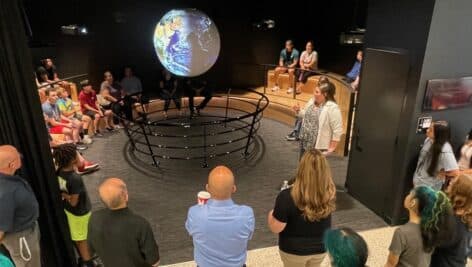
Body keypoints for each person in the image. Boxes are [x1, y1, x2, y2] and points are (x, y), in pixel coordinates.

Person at [268, 149, 336, 267]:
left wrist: (271, 213)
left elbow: (276, 228)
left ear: (301, 169)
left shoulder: (286, 196)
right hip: (321, 247)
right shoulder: (329, 193)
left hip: (293, 250)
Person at [185, 166, 255, 267]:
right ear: (233, 188)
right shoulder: (247, 214)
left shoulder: (194, 213)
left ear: (207, 188)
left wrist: (200, 209)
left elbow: (191, 231)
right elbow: (248, 236)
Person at [88, 178, 160, 267]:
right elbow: (154, 262)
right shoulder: (140, 224)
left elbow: (89, 251)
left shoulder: (94, 219)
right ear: (125, 196)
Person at [385, 186, 455, 267]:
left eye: (410, 194)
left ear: (413, 202)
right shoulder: (432, 229)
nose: (407, 195)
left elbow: (390, 264)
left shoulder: (401, 232)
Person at [52, 144, 94, 267]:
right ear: (73, 159)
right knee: (81, 240)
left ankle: (83, 259)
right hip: (80, 213)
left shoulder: (58, 171)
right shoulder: (75, 179)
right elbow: (74, 202)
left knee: (78, 237)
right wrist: (66, 196)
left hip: (69, 212)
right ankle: (88, 263)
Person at [0, 145, 41, 267]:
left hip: (26, 232)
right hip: (21, 238)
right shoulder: (5, 193)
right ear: (11, 165)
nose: (20, 156)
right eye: (18, 156)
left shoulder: (7, 180)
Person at [430, 174, 472, 266]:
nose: (450, 182)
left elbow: (433, 241)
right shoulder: (467, 217)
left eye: (454, 182)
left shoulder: (452, 220)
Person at [298, 82, 343, 157]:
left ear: (325, 94)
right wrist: (298, 111)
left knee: (313, 168)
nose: (314, 94)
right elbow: (306, 115)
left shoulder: (332, 107)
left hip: (318, 146)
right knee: (303, 165)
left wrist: (331, 148)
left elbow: (337, 129)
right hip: (305, 140)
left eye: (317, 92)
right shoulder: (312, 101)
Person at [413, 121, 459, 190]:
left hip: (429, 187)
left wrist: (442, 173)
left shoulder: (445, 151)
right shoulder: (428, 140)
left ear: (438, 134)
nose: (427, 130)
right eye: (429, 128)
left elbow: (455, 172)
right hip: (419, 181)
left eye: (431, 130)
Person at [286, 76, 329, 141]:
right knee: (300, 116)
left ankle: (297, 134)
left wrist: (299, 110)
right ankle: (297, 133)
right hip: (310, 117)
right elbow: (309, 108)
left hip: (316, 122)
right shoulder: (316, 96)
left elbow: (312, 114)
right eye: (319, 83)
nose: (320, 85)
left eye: (322, 84)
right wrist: (300, 109)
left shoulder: (324, 99)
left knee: (301, 117)